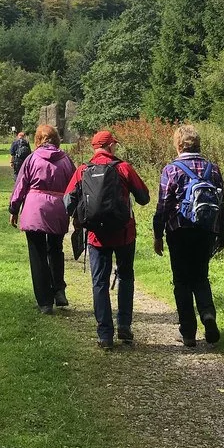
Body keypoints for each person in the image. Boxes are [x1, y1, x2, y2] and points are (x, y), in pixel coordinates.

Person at [64, 130, 150, 349]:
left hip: (96, 237)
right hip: (124, 234)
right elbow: (144, 198)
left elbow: (67, 202)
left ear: (95, 148)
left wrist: (82, 215)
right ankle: (124, 326)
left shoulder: (83, 170)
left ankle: (105, 335)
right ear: (111, 146)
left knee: (99, 282)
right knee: (126, 277)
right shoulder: (123, 168)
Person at [152, 124, 224, 347]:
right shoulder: (212, 169)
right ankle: (208, 315)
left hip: (179, 231)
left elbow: (163, 205)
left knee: (182, 281)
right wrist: (220, 232)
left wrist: (158, 234)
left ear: (178, 145)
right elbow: (221, 204)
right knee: (201, 277)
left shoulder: (171, 170)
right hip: (205, 230)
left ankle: (188, 332)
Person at [8, 125, 76, 314]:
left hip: (34, 209)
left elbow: (20, 185)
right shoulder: (66, 160)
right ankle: (59, 290)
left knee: (37, 254)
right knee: (56, 249)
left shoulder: (31, 159)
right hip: (58, 208)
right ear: (57, 140)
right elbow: (75, 185)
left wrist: (13, 209)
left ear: (38, 140)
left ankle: (45, 302)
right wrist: (76, 211)